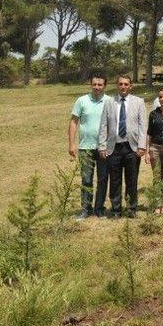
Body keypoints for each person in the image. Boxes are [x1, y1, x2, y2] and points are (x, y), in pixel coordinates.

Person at [98, 75, 147, 218]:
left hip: (132, 147)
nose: (123, 86)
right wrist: (102, 146)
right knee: (115, 180)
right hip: (114, 147)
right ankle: (116, 210)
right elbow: (103, 125)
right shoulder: (109, 102)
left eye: (126, 84)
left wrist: (142, 146)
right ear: (117, 85)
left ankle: (132, 209)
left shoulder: (139, 102)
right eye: (120, 84)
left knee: (132, 179)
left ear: (130, 86)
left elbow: (142, 126)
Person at [68, 71, 112, 219]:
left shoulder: (110, 101)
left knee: (102, 178)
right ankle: (85, 209)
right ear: (90, 84)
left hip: (103, 147)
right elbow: (74, 122)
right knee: (86, 179)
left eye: (100, 84)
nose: (97, 87)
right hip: (85, 147)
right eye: (94, 84)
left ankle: (99, 209)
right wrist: (71, 144)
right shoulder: (81, 101)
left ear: (105, 85)